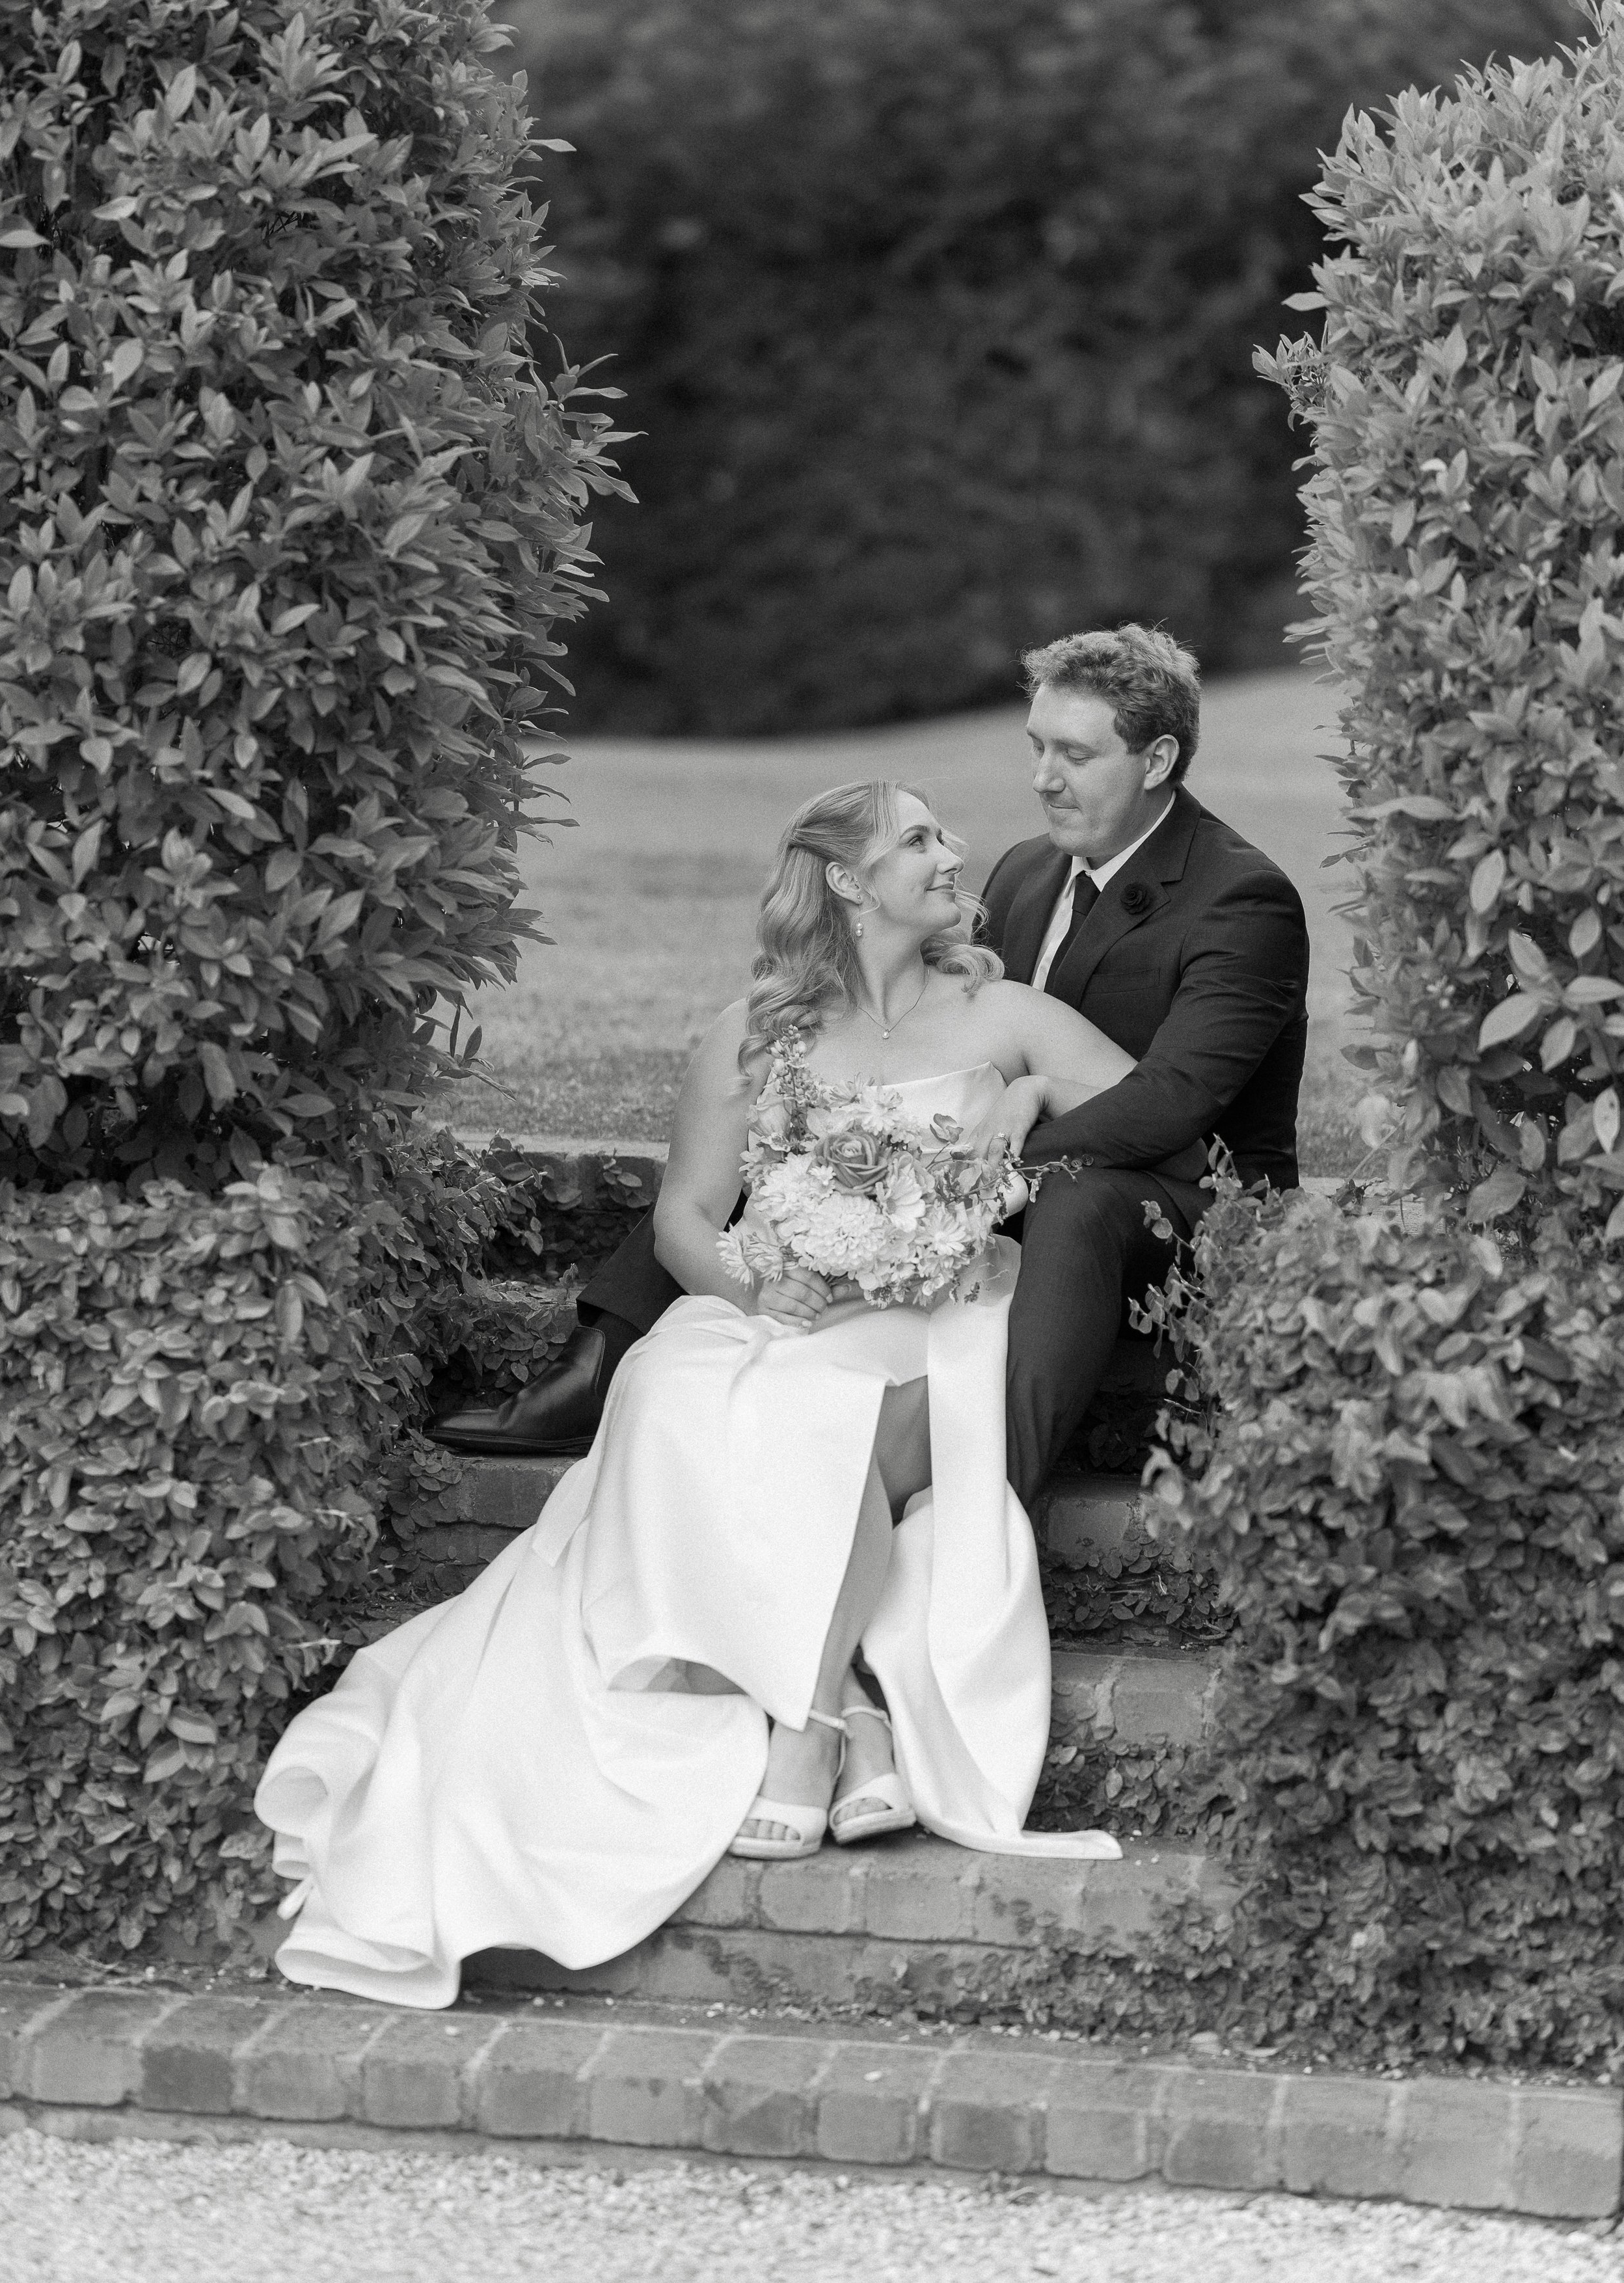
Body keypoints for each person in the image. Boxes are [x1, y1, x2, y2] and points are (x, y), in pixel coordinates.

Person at [256, 773, 1195, 2006]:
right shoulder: (755, 1032)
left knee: (820, 1418)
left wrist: (1022, 1099)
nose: (952, 849)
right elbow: (688, 1221)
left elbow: (1155, 1108)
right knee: (680, 1382)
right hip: (790, 1312)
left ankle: (801, 1729)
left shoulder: (1005, 1010)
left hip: (942, 1327)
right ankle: (837, 1713)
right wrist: (759, 1289)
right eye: (920, 838)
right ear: (852, 882)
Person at [435, 626, 1310, 1507]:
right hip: (998, 1186)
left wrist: (998, 1136)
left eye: (1075, 754)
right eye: (1037, 746)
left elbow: (1176, 1100)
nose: (1043, 777)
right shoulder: (1028, 870)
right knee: (821, 1120)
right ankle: (597, 1361)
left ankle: (990, 1494)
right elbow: (952, 1031)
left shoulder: (1241, 898)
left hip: (1165, 1192)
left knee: (1008, 1174)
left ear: (1158, 759)